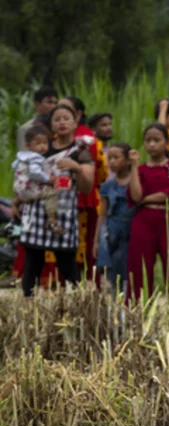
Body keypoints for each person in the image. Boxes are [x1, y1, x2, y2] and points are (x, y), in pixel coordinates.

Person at [19, 104, 95, 297]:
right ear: (51, 124)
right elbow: (26, 176)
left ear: (75, 121)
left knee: (67, 264)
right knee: (32, 263)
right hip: (36, 210)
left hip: (63, 213)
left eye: (66, 118)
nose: (61, 123)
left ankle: (80, 307)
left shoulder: (81, 151)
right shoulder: (42, 147)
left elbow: (87, 187)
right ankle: (28, 308)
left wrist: (76, 168)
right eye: (57, 119)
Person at [126, 123, 169, 307]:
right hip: (143, 222)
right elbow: (135, 195)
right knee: (139, 267)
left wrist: (145, 200)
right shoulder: (139, 170)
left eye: (157, 140)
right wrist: (133, 166)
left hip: (168, 220)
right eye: (148, 141)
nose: (152, 145)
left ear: (166, 142)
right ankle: (137, 309)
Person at [58, 96, 108, 283]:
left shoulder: (86, 140)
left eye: (66, 112)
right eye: (58, 112)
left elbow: (98, 174)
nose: (61, 117)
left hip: (80, 202)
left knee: (81, 250)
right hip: (58, 202)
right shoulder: (53, 139)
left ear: (77, 114)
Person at [94, 143, 135, 294]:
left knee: (126, 271)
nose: (111, 161)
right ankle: (114, 307)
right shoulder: (107, 186)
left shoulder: (135, 184)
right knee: (111, 274)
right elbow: (103, 213)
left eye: (116, 157)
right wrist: (97, 240)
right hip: (110, 232)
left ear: (128, 160)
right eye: (109, 158)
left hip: (129, 232)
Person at [12, 127, 62, 235]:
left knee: (24, 217)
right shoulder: (36, 157)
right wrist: (49, 179)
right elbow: (35, 173)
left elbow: (15, 166)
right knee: (51, 192)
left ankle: (16, 232)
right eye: (38, 143)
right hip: (29, 189)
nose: (43, 146)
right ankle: (52, 221)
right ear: (28, 146)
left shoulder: (22, 156)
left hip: (19, 189)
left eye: (45, 142)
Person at [16, 86, 58, 150]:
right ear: (37, 104)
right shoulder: (26, 129)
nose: (53, 106)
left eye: (55, 103)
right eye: (49, 102)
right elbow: (24, 156)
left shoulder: (58, 127)